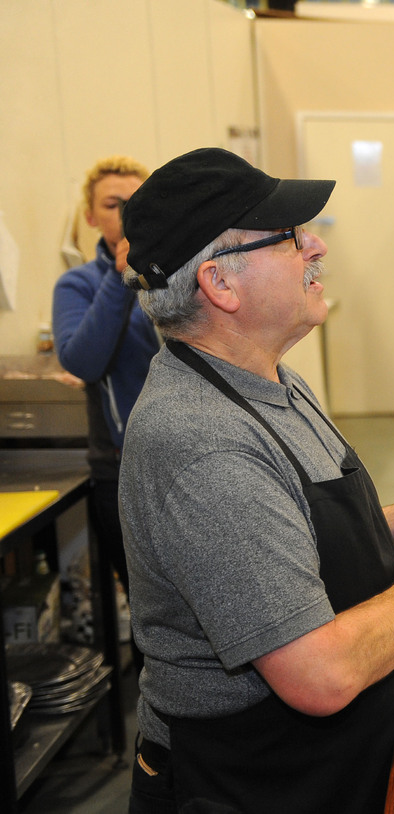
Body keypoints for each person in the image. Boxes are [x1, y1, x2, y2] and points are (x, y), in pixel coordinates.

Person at [117, 147, 394, 814]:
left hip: (332, 759)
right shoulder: (200, 440)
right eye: (288, 238)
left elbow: (276, 532)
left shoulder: (272, 382)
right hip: (253, 782)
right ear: (220, 284)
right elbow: (320, 674)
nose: (315, 245)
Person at [52, 155, 158, 671]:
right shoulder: (77, 286)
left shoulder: (171, 277)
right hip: (119, 469)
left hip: (186, 458)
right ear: (92, 217)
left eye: (137, 203)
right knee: (151, 609)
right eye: (113, 205)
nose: (126, 214)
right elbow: (83, 361)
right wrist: (120, 281)